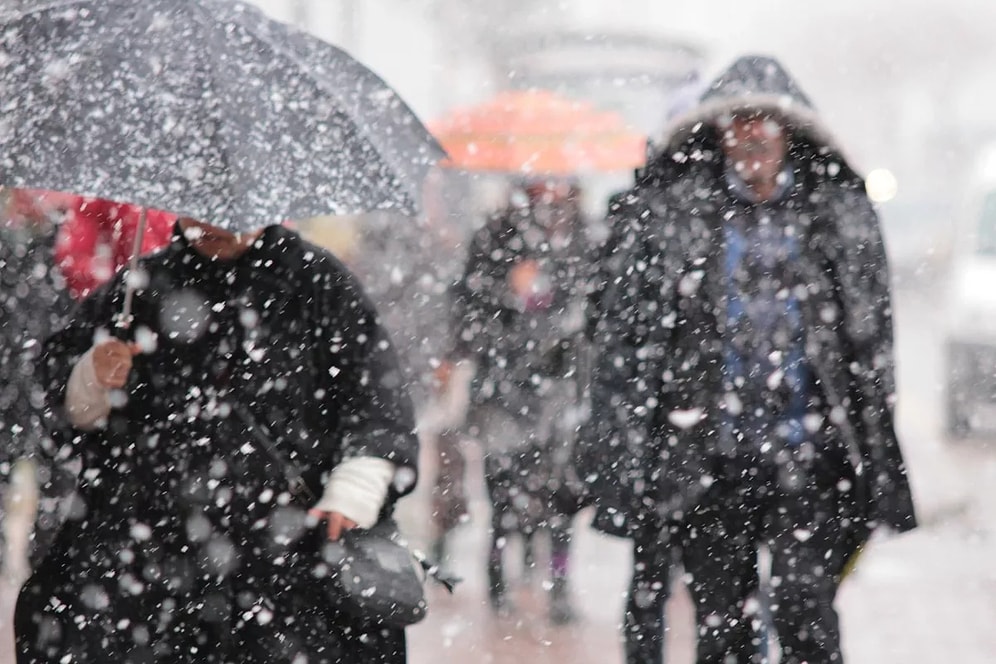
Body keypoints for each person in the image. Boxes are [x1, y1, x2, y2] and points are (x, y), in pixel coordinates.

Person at [583, 55, 917, 663]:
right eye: (739, 122)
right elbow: (624, 340)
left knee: (806, 613)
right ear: (718, 132)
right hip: (709, 461)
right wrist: (628, 452)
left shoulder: (833, 212)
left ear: (789, 132)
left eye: (766, 122)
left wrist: (875, 455)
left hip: (808, 460)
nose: (753, 135)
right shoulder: (674, 216)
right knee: (722, 629)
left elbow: (870, 343)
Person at [15, 217, 420, 663]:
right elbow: (61, 394)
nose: (211, 225)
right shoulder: (138, 289)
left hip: (289, 558)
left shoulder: (317, 282)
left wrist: (356, 487)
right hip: (154, 563)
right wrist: (93, 375)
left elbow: (376, 399)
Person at [440, 178, 592, 624]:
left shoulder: (582, 236)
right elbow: (466, 313)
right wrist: (510, 292)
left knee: (562, 498)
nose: (550, 190)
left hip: (561, 388)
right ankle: (498, 587)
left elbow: (591, 307)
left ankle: (560, 588)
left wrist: (555, 304)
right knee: (503, 496)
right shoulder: (493, 236)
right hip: (501, 391)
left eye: (558, 180)